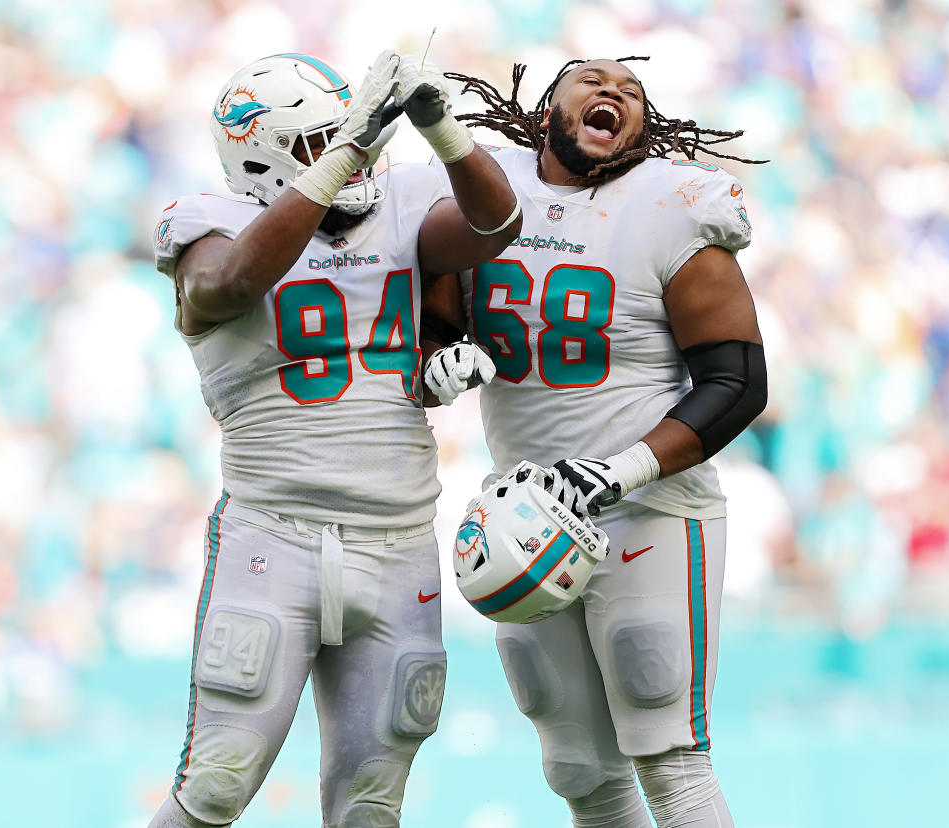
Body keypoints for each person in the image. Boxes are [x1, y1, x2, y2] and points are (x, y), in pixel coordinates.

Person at [146, 50, 522, 828]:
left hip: (398, 541)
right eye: (322, 140)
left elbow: (496, 221)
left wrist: (438, 126)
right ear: (261, 156)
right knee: (217, 781)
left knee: (371, 804)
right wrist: (347, 151)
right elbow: (233, 284)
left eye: (353, 132)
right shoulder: (208, 226)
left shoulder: (401, 201)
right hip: (273, 534)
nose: (356, 151)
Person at [420, 57, 767, 827]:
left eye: (634, 89)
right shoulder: (487, 192)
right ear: (547, 109)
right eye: (592, 79)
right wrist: (437, 356)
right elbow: (430, 316)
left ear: (643, 130)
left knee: (669, 757)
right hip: (526, 514)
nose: (614, 90)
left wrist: (620, 471)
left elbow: (739, 382)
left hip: (651, 511)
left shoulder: (671, 207)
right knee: (579, 767)